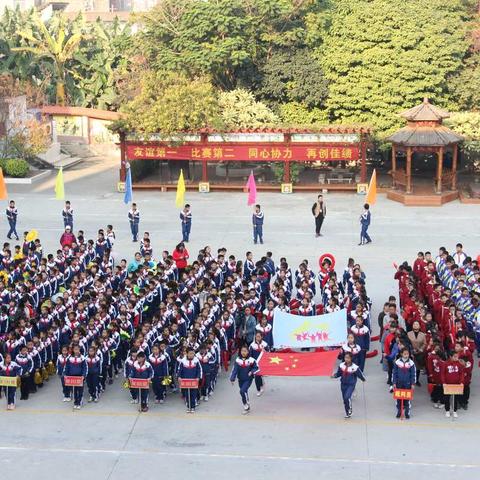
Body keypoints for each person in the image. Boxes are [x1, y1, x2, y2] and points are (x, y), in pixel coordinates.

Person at [331, 352, 366, 418]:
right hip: (343, 384)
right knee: (345, 399)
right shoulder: (341, 365)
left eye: (348, 358)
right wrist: (334, 376)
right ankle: (347, 413)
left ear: (351, 358)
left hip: (351, 384)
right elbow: (339, 374)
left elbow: (360, 374)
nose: (346, 359)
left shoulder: (354, 367)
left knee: (347, 397)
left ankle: (350, 410)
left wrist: (363, 379)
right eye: (345, 358)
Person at [230, 345, 259, 415]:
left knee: (242, 391)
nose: (243, 352)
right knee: (244, 392)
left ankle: (246, 406)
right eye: (242, 351)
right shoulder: (237, 360)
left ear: (248, 352)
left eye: (245, 351)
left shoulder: (251, 360)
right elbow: (234, 370)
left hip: (248, 379)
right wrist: (232, 378)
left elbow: (256, 368)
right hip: (240, 379)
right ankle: (247, 405)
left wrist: (251, 371)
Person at [392, 348, 416, 419]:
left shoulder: (411, 363)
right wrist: (394, 382)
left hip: (408, 384)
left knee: (407, 399)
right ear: (401, 354)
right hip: (399, 383)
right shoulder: (397, 362)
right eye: (405, 354)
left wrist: (413, 383)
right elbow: (394, 373)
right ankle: (399, 411)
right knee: (398, 398)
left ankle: (407, 413)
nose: (406, 355)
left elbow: (413, 374)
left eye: (407, 354)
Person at [178, 348, 202, 413]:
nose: (191, 355)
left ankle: (193, 407)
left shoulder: (196, 360)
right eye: (190, 353)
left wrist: (198, 377)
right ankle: (189, 407)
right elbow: (180, 370)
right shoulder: (183, 361)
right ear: (187, 353)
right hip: (186, 381)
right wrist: (179, 377)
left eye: (193, 353)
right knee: (187, 394)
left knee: (193, 394)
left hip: (194, 381)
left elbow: (199, 370)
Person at [441, 350, 464, 418]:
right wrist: (444, 382)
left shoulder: (459, 364)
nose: (457, 358)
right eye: (455, 357)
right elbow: (442, 374)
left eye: (457, 356)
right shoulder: (445, 364)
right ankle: (447, 411)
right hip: (447, 384)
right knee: (446, 398)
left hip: (456, 384)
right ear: (450, 357)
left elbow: (461, 374)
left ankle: (454, 411)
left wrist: (461, 382)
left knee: (455, 398)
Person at [63, 344, 88, 410]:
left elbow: (85, 368)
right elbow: (67, 367)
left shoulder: (82, 358)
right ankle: (75, 402)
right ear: (73, 350)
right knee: (74, 390)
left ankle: (79, 402)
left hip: (80, 377)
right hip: (72, 377)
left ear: (79, 350)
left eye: (77, 349)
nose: (76, 350)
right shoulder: (69, 358)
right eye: (75, 349)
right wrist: (66, 374)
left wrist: (83, 375)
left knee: (80, 390)